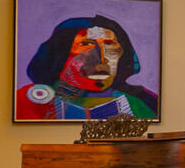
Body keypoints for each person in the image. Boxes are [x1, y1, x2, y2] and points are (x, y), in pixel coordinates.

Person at [15, 15, 159, 120]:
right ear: (61, 54)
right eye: (85, 45)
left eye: (110, 46)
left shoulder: (146, 104)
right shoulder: (25, 101)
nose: (101, 60)